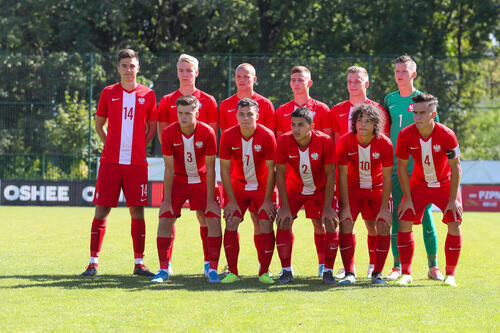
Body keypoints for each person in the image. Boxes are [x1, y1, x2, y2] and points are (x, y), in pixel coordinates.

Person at [81, 49, 157, 277]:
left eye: (132, 66)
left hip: (136, 164)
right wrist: (110, 145)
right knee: (102, 210)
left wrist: (138, 148)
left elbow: (151, 128)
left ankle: (139, 263)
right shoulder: (108, 93)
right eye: (124, 66)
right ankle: (93, 262)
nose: (128, 70)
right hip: (111, 162)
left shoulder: (148, 95)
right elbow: (99, 125)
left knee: (138, 211)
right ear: (118, 68)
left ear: (138, 68)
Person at [157, 54, 219, 276]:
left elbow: (206, 136)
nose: (185, 74)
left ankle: (209, 265)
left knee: (206, 215)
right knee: (167, 214)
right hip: (178, 175)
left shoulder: (209, 101)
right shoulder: (166, 101)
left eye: (189, 70)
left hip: (201, 175)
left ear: (196, 73)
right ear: (177, 72)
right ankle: (165, 267)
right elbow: (164, 136)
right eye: (181, 70)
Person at [384, 55, 443, 281]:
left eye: (404, 71)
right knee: (398, 214)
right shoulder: (389, 99)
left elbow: (435, 130)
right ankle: (397, 266)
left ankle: (433, 266)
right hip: (398, 166)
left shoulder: (422, 100)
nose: (399, 74)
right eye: (397, 71)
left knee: (426, 214)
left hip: (420, 166)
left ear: (413, 74)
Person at [395, 93, 462, 287]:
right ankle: (406, 273)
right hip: (419, 184)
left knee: (454, 221)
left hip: (445, 184)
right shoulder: (405, 134)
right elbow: (401, 167)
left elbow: (456, 167)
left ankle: (450, 275)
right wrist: (407, 198)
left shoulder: (447, 134)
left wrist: (452, 200)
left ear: (433, 113)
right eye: (415, 112)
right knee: (405, 219)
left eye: (422, 113)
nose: (417, 117)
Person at [330, 65, 390, 279]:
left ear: (367, 83)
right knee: (346, 222)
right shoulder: (337, 110)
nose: (353, 85)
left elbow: (383, 148)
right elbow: (334, 143)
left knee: (374, 225)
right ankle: (349, 269)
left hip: (375, 182)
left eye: (357, 81)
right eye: (349, 81)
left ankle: (375, 268)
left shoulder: (379, 111)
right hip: (348, 179)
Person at [275, 65, 332, 277]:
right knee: (284, 220)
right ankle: (285, 270)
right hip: (293, 181)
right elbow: (283, 146)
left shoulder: (323, 109)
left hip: (318, 180)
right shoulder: (281, 111)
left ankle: (323, 265)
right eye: (294, 79)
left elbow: (326, 144)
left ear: (309, 83)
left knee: (320, 222)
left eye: (301, 79)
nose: (297, 83)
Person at [218, 98, 277, 284]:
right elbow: (225, 171)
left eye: (250, 114)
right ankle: (232, 271)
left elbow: (272, 170)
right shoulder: (228, 135)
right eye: (241, 114)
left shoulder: (267, 135)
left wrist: (268, 200)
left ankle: (265, 272)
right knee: (231, 220)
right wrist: (231, 201)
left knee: (266, 222)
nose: (245, 118)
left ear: (257, 116)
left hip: (262, 188)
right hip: (238, 189)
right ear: (236, 116)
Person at [336, 104, 393, 285]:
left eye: (368, 121)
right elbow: (342, 176)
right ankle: (349, 273)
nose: (363, 124)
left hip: (376, 189)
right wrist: (344, 207)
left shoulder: (384, 143)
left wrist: (384, 208)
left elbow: (387, 177)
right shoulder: (345, 141)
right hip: (352, 190)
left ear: (376, 124)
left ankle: (377, 273)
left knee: (382, 225)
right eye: (360, 120)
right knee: (345, 223)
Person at [219, 63, 275, 132]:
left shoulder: (266, 104)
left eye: (246, 77)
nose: (241, 80)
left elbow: (270, 136)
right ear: (235, 78)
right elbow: (225, 136)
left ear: (254, 79)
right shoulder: (225, 104)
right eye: (238, 76)